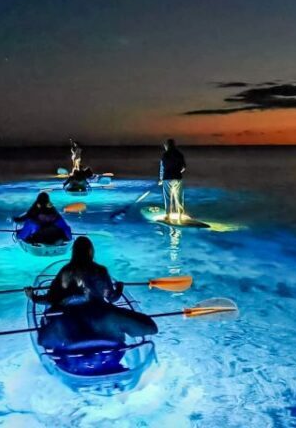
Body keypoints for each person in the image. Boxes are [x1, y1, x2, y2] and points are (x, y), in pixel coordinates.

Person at [26, 236, 158, 351]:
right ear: (91, 252)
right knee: (145, 325)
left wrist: (33, 297)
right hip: (102, 313)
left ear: (73, 252)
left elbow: (52, 298)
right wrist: (119, 288)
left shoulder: (66, 271)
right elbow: (112, 298)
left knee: (46, 336)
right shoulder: (100, 270)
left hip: (72, 319)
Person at [158, 138, 186, 222]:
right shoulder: (179, 154)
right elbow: (184, 167)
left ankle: (168, 215)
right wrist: (178, 171)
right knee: (179, 197)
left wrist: (161, 179)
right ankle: (180, 215)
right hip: (177, 177)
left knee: (168, 197)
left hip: (167, 178)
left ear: (167, 146)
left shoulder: (164, 155)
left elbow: (162, 169)